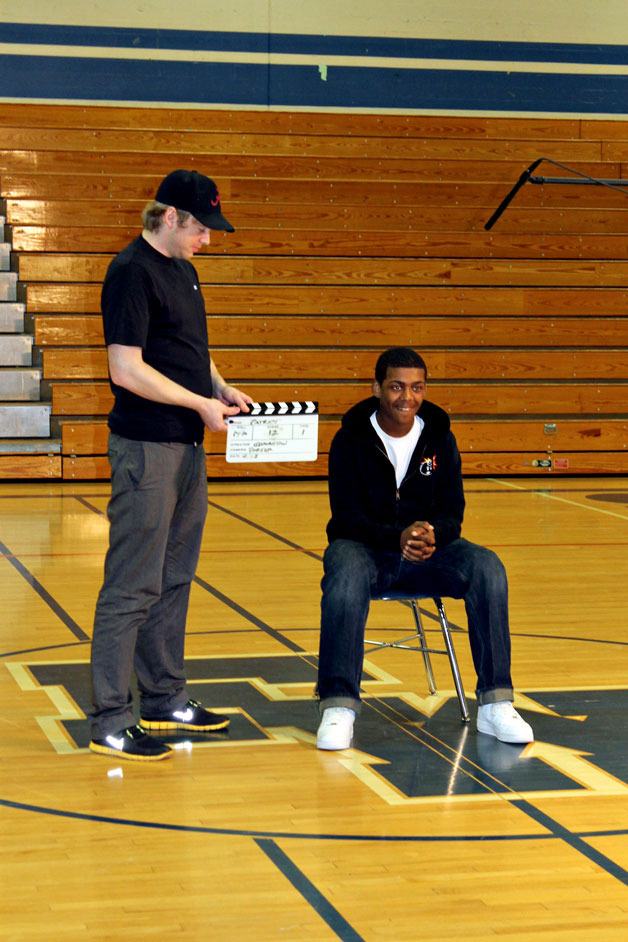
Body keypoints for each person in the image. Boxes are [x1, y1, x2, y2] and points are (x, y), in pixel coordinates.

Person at [89, 169, 253, 761]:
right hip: (147, 450)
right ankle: (110, 716)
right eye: (200, 228)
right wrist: (198, 404)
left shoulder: (182, 270)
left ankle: (162, 697)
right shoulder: (131, 272)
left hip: (187, 447)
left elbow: (187, 354)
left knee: (175, 576)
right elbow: (126, 369)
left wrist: (222, 389)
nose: (207, 240)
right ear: (167, 217)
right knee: (131, 583)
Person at [316, 346, 534, 751]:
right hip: (368, 552)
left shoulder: (439, 437)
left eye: (417, 388)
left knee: (487, 566)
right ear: (377, 387)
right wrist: (395, 537)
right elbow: (345, 517)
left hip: (429, 553)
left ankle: (495, 702)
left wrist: (431, 534)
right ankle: (340, 704)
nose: (407, 398)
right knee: (343, 568)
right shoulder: (349, 440)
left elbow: (454, 511)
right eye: (397, 387)